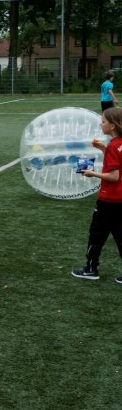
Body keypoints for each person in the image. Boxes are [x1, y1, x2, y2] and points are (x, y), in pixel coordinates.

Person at [72, 107, 122, 284]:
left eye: (103, 121)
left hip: (109, 200)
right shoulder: (117, 145)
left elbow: (114, 176)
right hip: (120, 200)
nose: (101, 124)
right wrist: (104, 148)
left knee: (97, 234)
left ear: (113, 126)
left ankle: (90, 269)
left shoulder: (113, 148)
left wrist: (92, 173)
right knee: (119, 234)